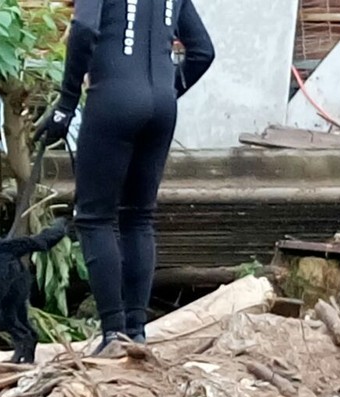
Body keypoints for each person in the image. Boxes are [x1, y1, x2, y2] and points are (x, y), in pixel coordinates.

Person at [34, 0, 215, 351]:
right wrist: (167, 90)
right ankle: (137, 331)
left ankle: (113, 333)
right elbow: (203, 51)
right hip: (163, 105)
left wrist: (67, 103)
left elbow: (85, 29)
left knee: (94, 218)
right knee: (139, 218)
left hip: (113, 100)